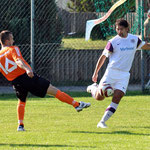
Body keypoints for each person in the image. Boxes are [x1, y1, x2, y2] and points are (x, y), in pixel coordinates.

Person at [0, 30, 91, 131]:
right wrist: (27, 69)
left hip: (15, 82)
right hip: (27, 77)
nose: (13, 40)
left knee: (21, 101)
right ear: (7, 41)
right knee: (53, 90)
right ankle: (76, 105)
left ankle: (20, 125)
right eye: (12, 38)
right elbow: (18, 61)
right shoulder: (13, 49)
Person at [87, 19, 150, 128]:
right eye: (117, 29)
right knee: (99, 97)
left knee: (118, 96)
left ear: (127, 29)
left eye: (121, 29)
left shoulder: (134, 40)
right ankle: (93, 88)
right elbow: (103, 57)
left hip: (124, 75)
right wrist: (95, 73)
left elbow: (146, 46)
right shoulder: (113, 42)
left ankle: (102, 122)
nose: (119, 31)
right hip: (111, 72)